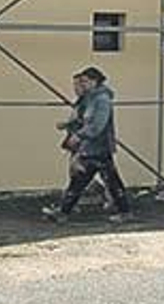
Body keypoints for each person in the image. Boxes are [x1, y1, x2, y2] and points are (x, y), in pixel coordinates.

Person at [42, 66, 131, 223]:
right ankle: (64, 212)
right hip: (92, 147)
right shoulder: (92, 98)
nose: (81, 85)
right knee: (86, 180)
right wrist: (70, 125)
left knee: (97, 181)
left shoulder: (102, 100)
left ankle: (64, 212)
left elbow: (98, 124)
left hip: (98, 147)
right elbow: (85, 119)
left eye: (84, 81)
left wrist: (79, 135)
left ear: (94, 81)